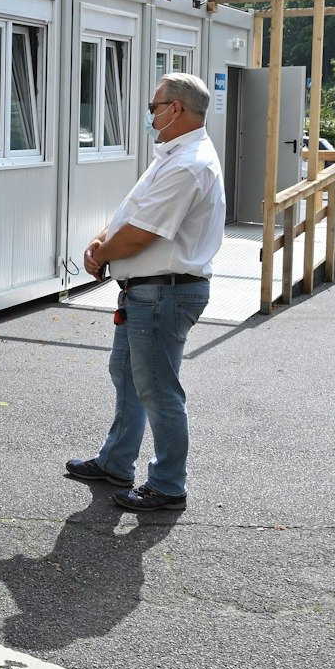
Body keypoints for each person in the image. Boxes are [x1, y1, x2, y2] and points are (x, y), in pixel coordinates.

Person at [65, 72, 225, 511]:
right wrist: (101, 241)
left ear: (176, 109)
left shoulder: (188, 163)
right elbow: (131, 213)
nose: (150, 114)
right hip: (149, 291)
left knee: (157, 389)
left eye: (154, 107)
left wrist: (102, 254)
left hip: (164, 293)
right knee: (128, 376)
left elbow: (141, 234)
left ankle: (168, 485)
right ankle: (116, 461)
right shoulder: (174, 154)